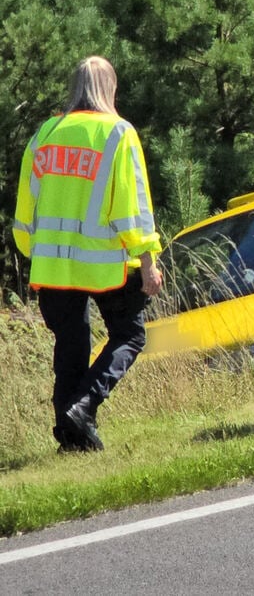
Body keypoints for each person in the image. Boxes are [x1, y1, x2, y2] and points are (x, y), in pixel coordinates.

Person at [13, 56, 163, 452]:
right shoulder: (118, 132)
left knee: (71, 347)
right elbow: (133, 205)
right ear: (109, 88)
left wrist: (34, 252)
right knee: (130, 336)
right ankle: (83, 408)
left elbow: (26, 206)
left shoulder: (45, 133)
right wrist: (147, 259)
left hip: (54, 263)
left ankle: (71, 436)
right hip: (105, 261)